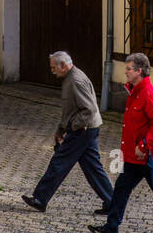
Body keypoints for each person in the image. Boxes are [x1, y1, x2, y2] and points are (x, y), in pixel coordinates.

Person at [88, 52, 153, 233]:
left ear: (139, 71)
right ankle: (111, 228)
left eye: (129, 69)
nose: (126, 72)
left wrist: (144, 145)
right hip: (133, 156)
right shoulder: (134, 91)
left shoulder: (148, 94)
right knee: (121, 189)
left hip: (148, 156)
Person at [21, 51, 114, 213]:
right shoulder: (72, 77)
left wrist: (71, 126)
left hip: (83, 130)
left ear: (63, 65)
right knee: (93, 169)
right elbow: (72, 109)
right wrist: (61, 128)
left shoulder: (75, 80)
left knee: (59, 162)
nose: (52, 71)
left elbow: (89, 110)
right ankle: (113, 202)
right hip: (87, 129)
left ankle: (40, 198)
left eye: (53, 67)